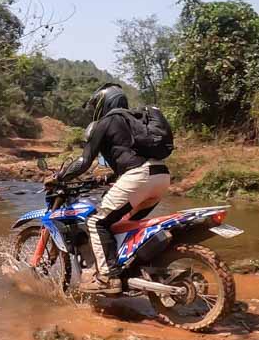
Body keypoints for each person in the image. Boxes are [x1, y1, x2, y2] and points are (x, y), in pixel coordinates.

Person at [48, 84, 172, 294]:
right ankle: (134, 269)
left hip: (138, 178)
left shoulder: (106, 122)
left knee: (97, 222)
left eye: (96, 104)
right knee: (125, 225)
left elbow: (84, 160)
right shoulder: (135, 120)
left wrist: (60, 177)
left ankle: (108, 277)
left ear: (105, 102)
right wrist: (106, 178)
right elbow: (128, 156)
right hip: (161, 176)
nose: (96, 109)